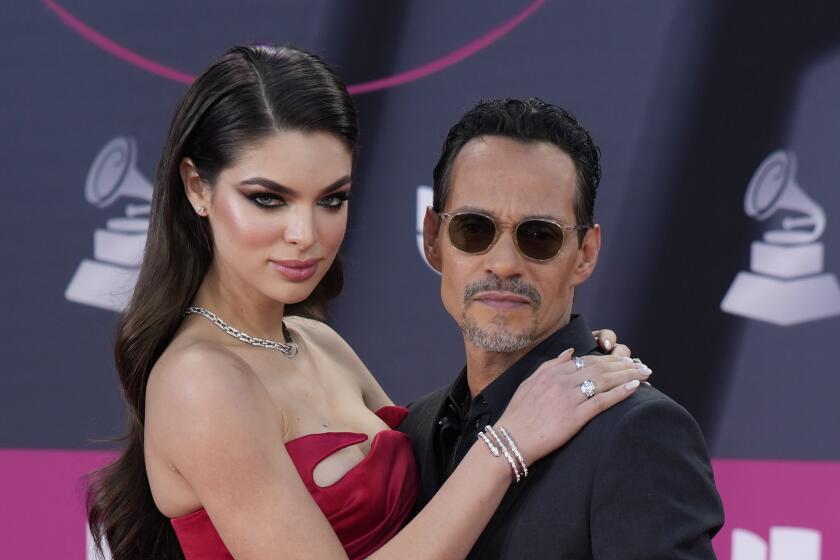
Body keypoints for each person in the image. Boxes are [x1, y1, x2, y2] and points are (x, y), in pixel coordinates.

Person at [85, 46, 648, 560]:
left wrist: (568, 366)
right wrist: (511, 442)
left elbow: (442, 452)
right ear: (197, 188)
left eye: (331, 199)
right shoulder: (198, 381)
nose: (304, 233)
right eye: (267, 199)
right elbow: (482, 461)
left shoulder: (316, 342)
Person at [400, 97, 725, 559]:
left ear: (585, 253)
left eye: (539, 236)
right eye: (474, 229)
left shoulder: (638, 434)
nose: (504, 263)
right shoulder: (413, 429)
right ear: (434, 239)